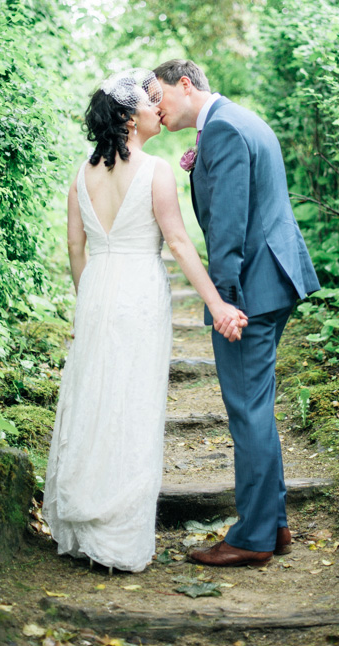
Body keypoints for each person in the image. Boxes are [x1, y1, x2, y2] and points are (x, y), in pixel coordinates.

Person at [43, 68, 247, 573]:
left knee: (94, 402)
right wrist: (218, 305)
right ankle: (117, 536)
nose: (160, 108)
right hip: (138, 294)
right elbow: (178, 244)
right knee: (132, 404)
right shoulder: (155, 171)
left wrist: (88, 297)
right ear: (130, 117)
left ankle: (83, 525)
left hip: (96, 291)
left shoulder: (81, 174)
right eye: (150, 103)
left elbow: (76, 248)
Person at [154, 59, 320, 568]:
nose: (155, 107)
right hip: (276, 278)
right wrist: (200, 165)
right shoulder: (237, 120)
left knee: (247, 412)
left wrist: (221, 299)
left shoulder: (222, 129)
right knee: (257, 409)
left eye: (159, 94)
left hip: (250, 289)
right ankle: (275, 525)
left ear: (186, 85)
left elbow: (227, 227)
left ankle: (251, 538)